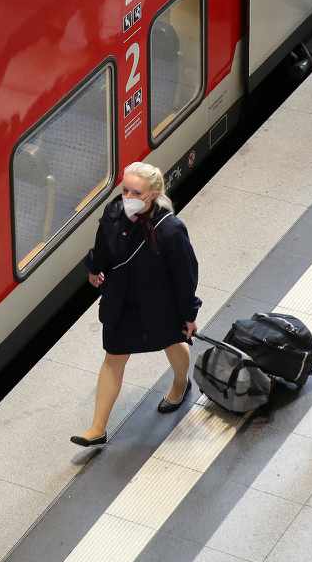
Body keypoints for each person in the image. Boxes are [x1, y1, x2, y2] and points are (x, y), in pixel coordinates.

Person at [72, 162, 199, 448]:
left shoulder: (171, 229)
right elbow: (103, 247)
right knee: (113, 357)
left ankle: (180, 384)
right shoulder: (114, 213)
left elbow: (186, 274)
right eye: (124, 190)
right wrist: (95, 269)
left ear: (152, 194)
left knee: (173, 342)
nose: (127, 197)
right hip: (121, 300)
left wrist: (189, 315)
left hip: (159, 304)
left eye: (135, 192)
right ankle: (97, 428)